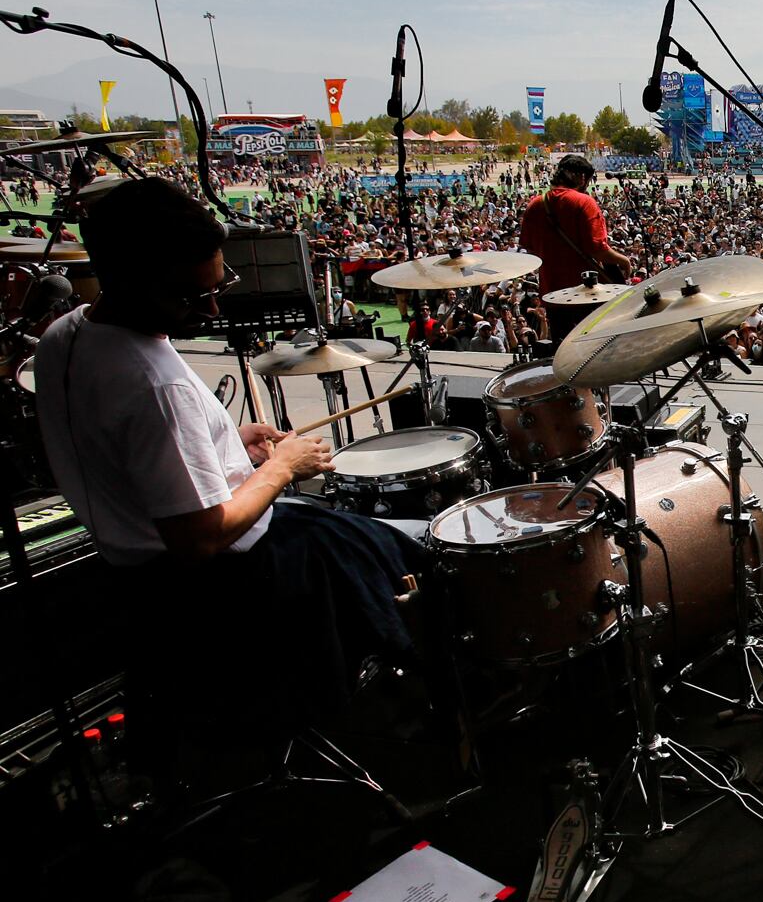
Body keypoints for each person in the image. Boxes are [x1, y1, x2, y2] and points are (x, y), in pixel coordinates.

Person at [33, 179, 425, 723]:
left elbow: (119, 451)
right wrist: (283, 468)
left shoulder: (66, 333)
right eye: (193, 297)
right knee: (412, 557)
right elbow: (199, 538)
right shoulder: (153, 384)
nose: (215, 310)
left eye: (220, 286)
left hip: (135, 579)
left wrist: (222, 441)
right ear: (128, 279)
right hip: (225, 582)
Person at [517, 153, 630, 343]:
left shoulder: (535, 205)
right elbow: (597, 249)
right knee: (596, 345)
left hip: (553, 293)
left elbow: (530, 249)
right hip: (589, 293)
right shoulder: (583, 202)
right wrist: (624, 260)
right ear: (582, 177)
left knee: (564, 346)